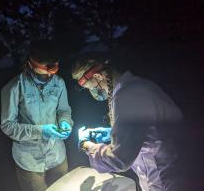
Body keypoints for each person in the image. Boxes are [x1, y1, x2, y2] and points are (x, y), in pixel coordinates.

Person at [72, 55, 183, 191]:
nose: (93, 92)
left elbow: (119, 160)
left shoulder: (127, 96)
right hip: (165, 169)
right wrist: (110, 134)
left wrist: (87, 146)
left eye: (92, 87)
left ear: (98, 77)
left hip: (163, 177)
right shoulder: (135, 86)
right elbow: (144, 129)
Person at [1, 40, 73, 191]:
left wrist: (65, 122)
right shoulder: (14, 87)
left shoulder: (58, 83)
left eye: (54, 69)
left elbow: (63, 110)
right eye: (47, 69)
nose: (50, 74)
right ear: (32, 65)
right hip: (29, 160)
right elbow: (8, 126)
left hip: (57, 154)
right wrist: (40, 131)